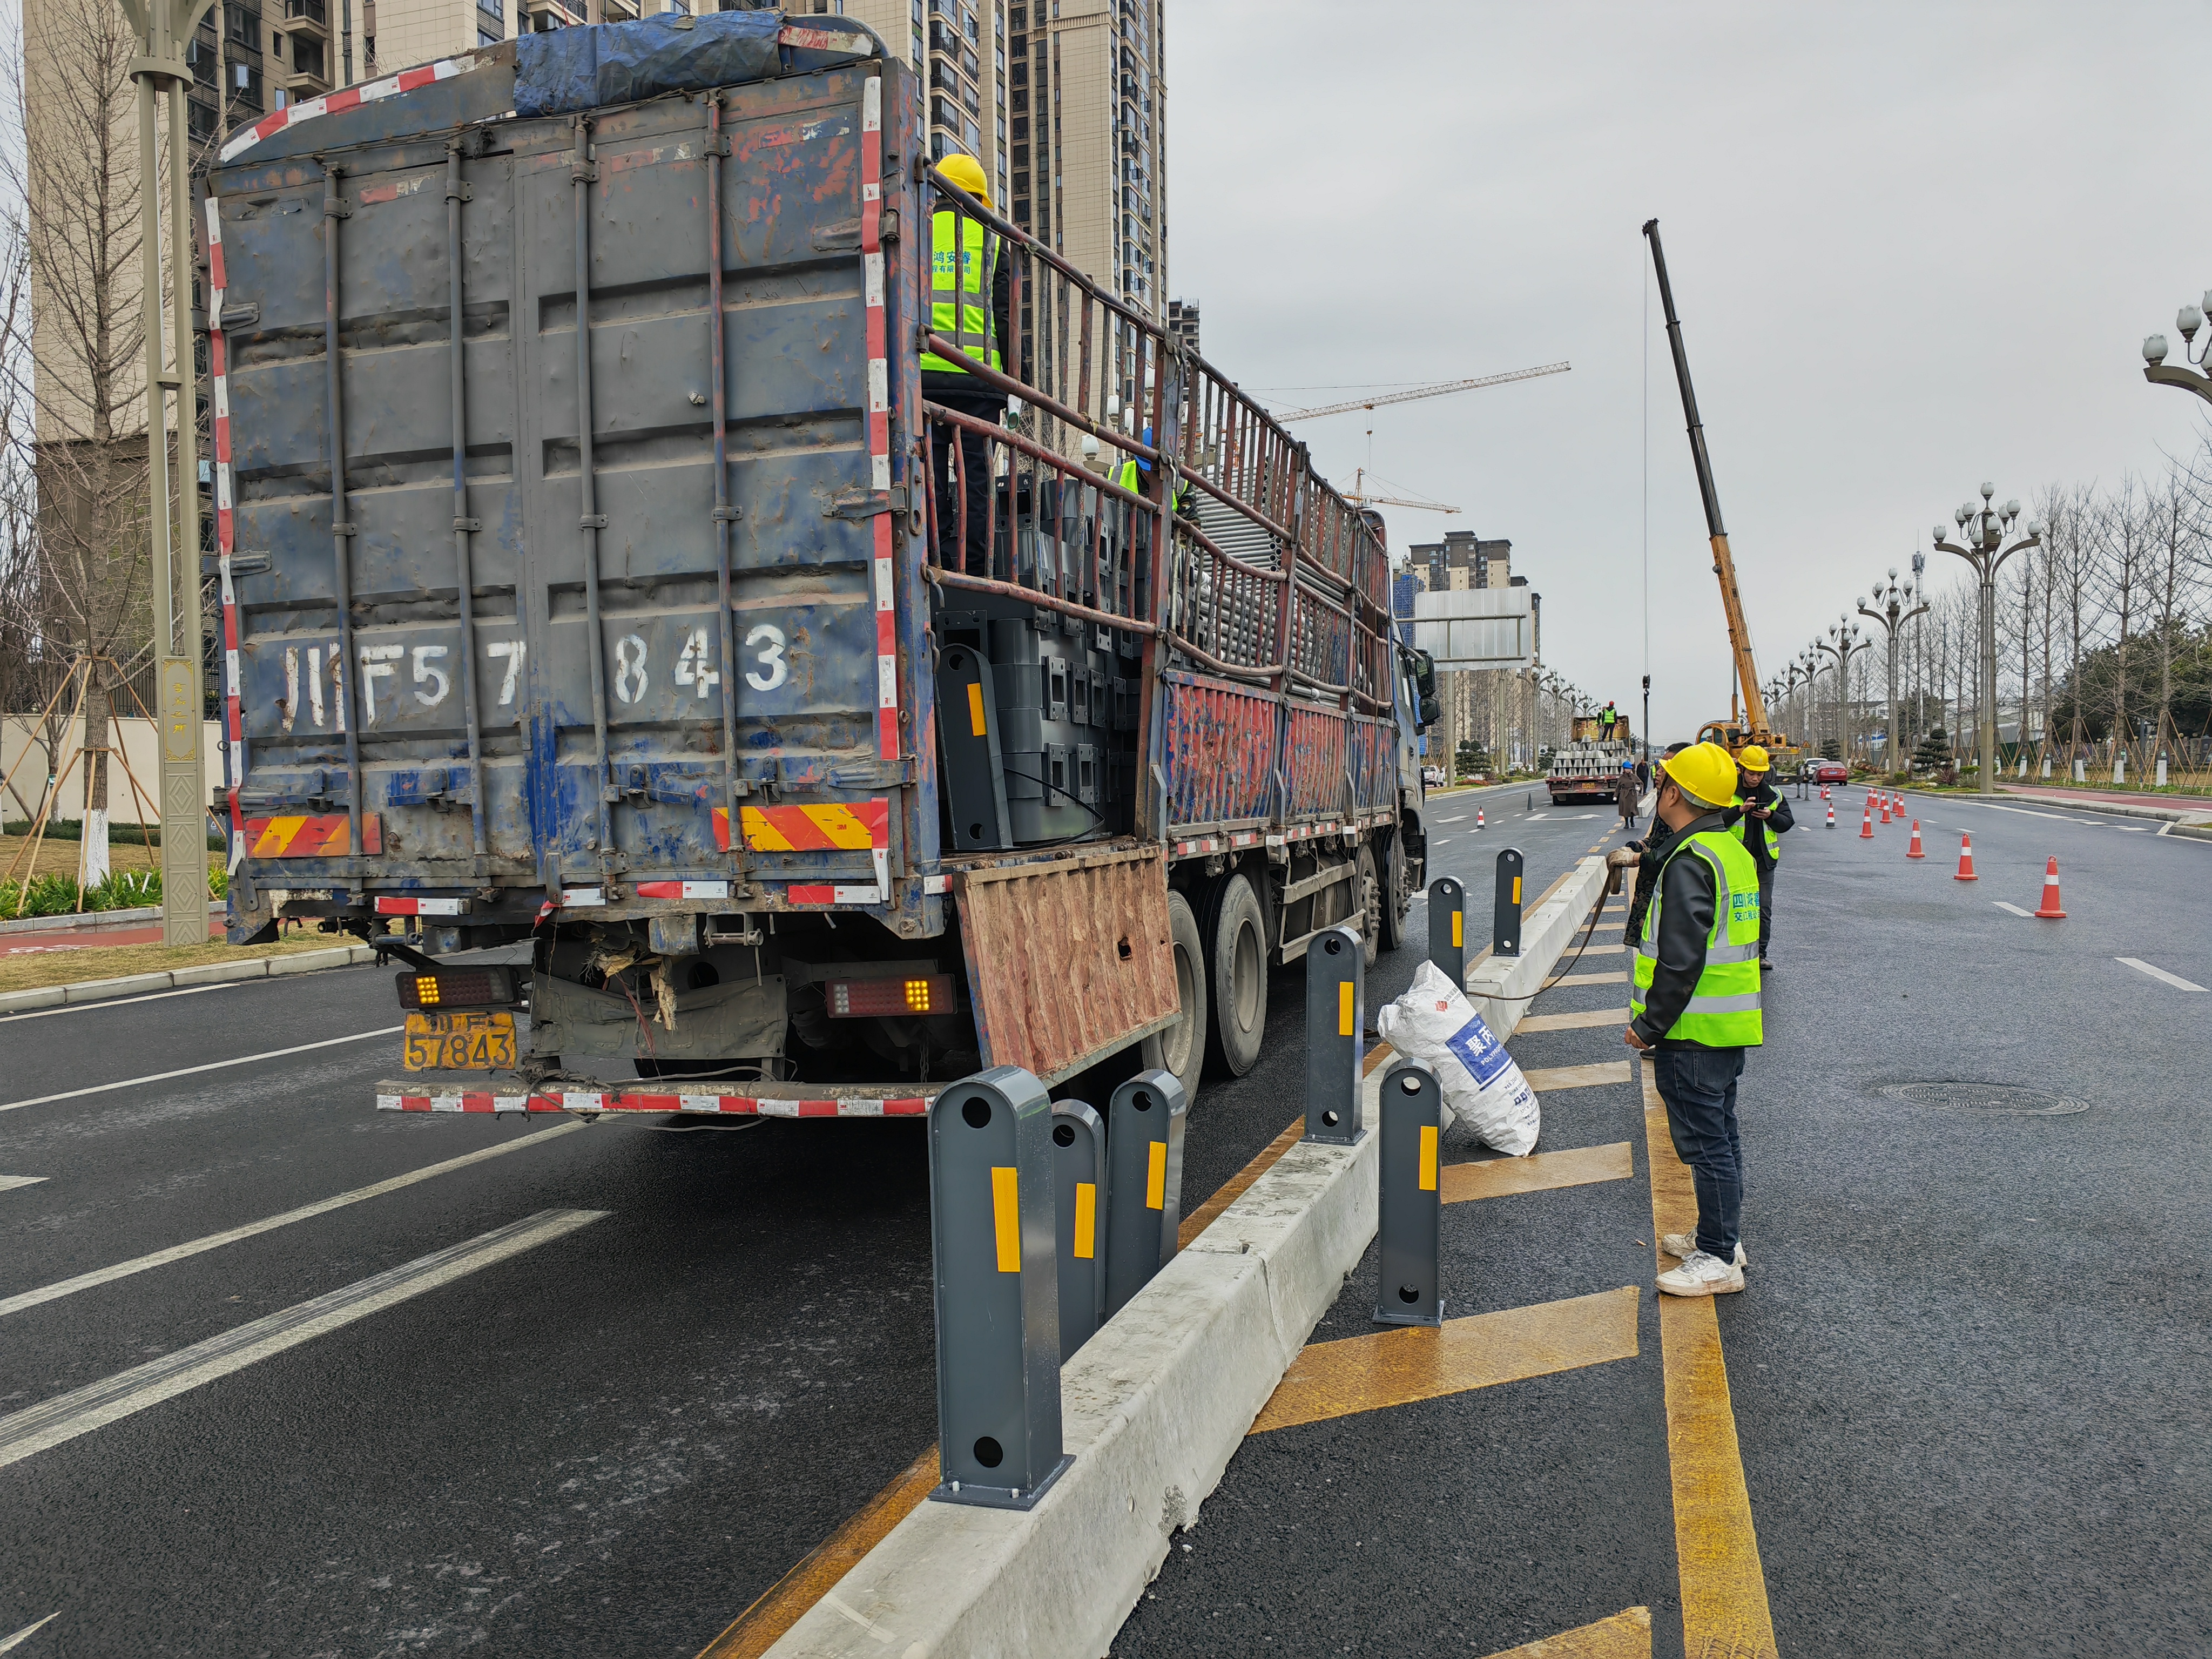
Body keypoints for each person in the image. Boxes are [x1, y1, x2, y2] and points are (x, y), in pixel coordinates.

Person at [1616, 741, 1762, 1298]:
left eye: (1663, 784)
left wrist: (1647, 1027)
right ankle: (1720, 1236)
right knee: (1720, 1137)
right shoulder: (1728, 851)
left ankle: (1718, 1259)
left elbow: (1680, 961)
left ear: (1674, 793)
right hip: (1725, 1029)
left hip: (1691, 1033)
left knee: (1706, 1145)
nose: (1658, 792)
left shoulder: (1690, 862)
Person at [920, 152, 1010, 575]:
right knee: (975, 478)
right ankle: (974, 569)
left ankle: (932, 561)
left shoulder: (916, 231)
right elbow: (1006, 315)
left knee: (930, 472)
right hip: (978, 380)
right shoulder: (993, 240)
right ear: (978, 198)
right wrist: (1012, 383)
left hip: (925, 375)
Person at [1727, 744, 1792, 971]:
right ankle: (1732, 951)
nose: (1755, 778)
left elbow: (1787, 823)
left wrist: (1771, 816)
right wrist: (1739, 811)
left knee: (1763, 908)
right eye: (1751, 773)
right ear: (1742, 769)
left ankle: (1760, 954)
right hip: (1734, 862)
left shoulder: (1773, 794)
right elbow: (1715, 820)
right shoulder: (1727, 792)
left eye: (1760, 773)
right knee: (1734, 908)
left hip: (1764, 861)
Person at [1615, 760, 1640, 830]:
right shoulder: (1621, 778)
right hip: (1624, 794)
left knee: (1632, 808)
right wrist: (1615, 796)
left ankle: (1632, 820)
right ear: (1624, 769)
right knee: (1625, 809)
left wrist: (1639, 787)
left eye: (1629, 769)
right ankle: (1626, 823)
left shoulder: (1634, 777)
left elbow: (1641, 783)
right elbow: (1618, 788)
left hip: (1632, 794)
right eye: (1626, 768)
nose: (1628, 770)